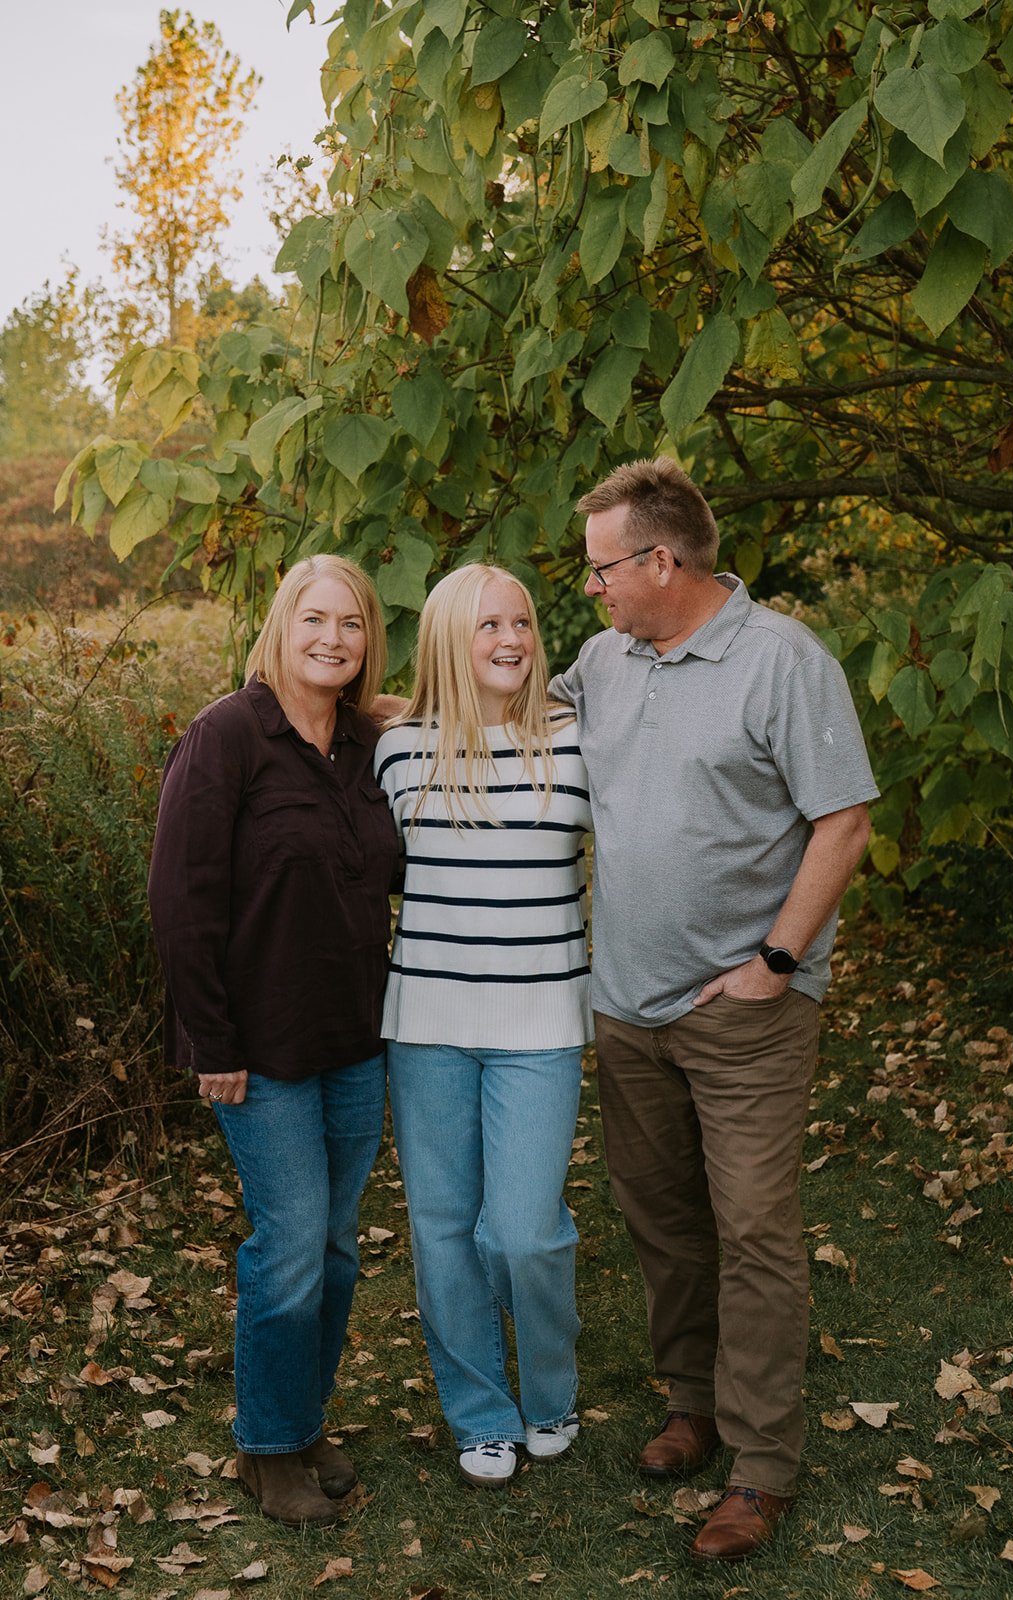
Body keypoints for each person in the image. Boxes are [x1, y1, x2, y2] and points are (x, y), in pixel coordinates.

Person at [550, 458, 878, 1561]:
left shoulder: (782, 661)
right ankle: (693, 1400)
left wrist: (775, 961)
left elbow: (843, 823)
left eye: (600, 568)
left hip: (743, 1008)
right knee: (662, 1220)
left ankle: (762, 1462)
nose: (587, 589)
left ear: (659, 560)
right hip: (625, 1001)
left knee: (752, 1230)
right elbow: (498, 713)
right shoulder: (602, 662)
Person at [147, 555, 398, 1527]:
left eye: (351, 624)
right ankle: (265, 1449)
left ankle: (299, 1418)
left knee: (334, 1249)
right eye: (315, 620)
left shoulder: (368, 744)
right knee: (290, 1243)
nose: (332, 639)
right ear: (280, 626)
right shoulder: (225, 737)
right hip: (257, 1047)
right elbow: (181, 897)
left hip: (357, 1038)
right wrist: (210, 1038)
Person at [374, 564, 593, 1488]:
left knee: (523, 1232)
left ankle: (550, 1391)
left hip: (542, 1020)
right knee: (443, 1230)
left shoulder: (581, 741)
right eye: (487, 625)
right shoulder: (398, 750)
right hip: (425, 1023)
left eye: (524, 623)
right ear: (446, 641)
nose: (511, 639)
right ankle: (480, 1413)